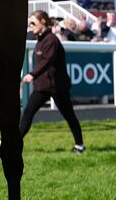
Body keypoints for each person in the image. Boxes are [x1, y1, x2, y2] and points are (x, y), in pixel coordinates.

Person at [19, 10, 85, 153]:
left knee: (69, 116)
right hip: (43, 86)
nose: (31, 26)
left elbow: (47, 61)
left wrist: (32, 74)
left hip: (57, 86)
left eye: (33, 23)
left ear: (43, 22)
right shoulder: (40, 39)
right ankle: (14, 142)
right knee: (28, 112)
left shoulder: (51, 40)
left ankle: (79, 145)